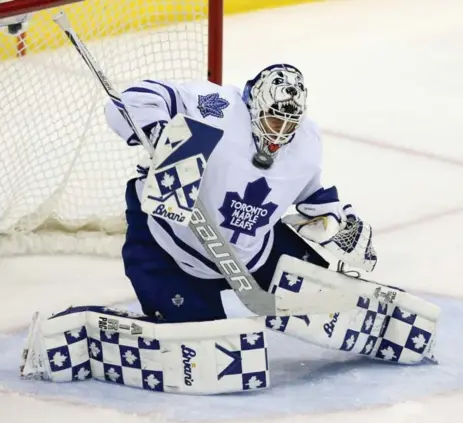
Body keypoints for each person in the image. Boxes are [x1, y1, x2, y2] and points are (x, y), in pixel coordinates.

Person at [104, 63, 377, 324]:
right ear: (254, 106)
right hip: (171, 245)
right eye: (273, 119)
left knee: (326, 295)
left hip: (254, 253)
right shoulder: (218, 107)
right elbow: (135, 99)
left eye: (289, 123)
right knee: (202, 340)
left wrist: (335, 222)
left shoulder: (306, 141)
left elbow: (311, 192)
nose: (279, 132)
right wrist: (158, 130)